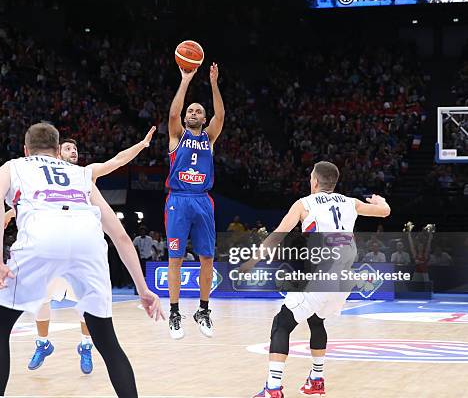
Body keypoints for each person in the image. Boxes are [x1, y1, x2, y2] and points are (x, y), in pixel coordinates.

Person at [0, 123, 163, 397]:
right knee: (106, 338)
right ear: (58, 151)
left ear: (25, 149)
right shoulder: (81, 174)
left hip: (41, 237)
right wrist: (143, 288)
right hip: (88, 242)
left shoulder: (14, 166)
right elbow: (121, 236)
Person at [247, 161, 390, 398]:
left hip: (320, 276)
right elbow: (385, 211)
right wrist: (379, 201)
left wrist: (251, 260)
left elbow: (277, 235)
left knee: (281, 324)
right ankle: (316, 379)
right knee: (316, 320)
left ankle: (273, 388)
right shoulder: (350, 202)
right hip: (343, 280)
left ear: (314, 181)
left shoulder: (304, 203)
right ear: (334, 183)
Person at [166, 62, 225, 339]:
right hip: (178, 200)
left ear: (203, 119)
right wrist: (186, 79)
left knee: (207, 257)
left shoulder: (209, 138)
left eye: (198, 111)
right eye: (191, 110)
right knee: (175, 258)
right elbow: (174, 112)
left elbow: (221, 116)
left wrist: (213, 84)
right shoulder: (177, 136)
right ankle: (175, 312)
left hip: (202, 200)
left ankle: (203, 310)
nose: (193, 113)